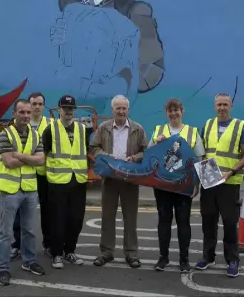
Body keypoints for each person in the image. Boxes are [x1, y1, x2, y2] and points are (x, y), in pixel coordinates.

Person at [196, 93, 244, 277]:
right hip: (209, 183)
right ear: (214, 106)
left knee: (229, 223)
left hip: (230, 183)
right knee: (208, 221)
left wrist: (232, 172)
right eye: (219, 104)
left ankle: (233, 260)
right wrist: (201, 175)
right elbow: (201, 152)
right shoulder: (208, 125)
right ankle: (208, 257)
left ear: (231, 106)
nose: (222, 108)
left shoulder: (239, 126)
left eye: (225, 104)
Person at [90, 94, 147, 268]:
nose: (121, 111)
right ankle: (106, 252)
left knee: (130, 218)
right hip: (110, 178)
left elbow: (145, 151)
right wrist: (108, 157)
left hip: (130, 179)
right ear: (113, 110)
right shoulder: (103, 128)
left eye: (124, 108)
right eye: (118, 108)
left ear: (128, 110)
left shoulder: (138, 129)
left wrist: (135, 158)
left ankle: (131, 254)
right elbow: (94, 148)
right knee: (107, 216)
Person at [148, 98, 205, 272]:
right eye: (170, 111)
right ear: (166, 113)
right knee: (164, 221)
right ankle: (163, 258)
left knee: (183, 222)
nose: (173, 114)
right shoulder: (158, 130)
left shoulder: (192, 132)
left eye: (176, 110)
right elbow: (149, 155)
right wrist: (156, 143)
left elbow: (200, 159)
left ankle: (184, 260)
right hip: (163, 185)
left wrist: (196, 184)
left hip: (183, 185)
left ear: (182, 111)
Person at [0, 99, 45, 286]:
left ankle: (29, 261)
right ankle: (2, 269)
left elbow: (41, 160)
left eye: (28, 113)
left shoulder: (35, 135)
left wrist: (21, 156)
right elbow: (9, 162)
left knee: (29, 230)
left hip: (30, 190)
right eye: (21, 112)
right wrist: (30, 158)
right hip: (10, 190)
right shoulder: (4, 135)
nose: (25, 116)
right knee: (6, 232)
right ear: (14, 114)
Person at [42, 95, 91, 269]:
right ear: (59, 109)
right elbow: (44, 154)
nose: (68, 111)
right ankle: (57, 254)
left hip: (78, 181)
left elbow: (85, 152)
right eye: (65, 108)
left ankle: (70, 251)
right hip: (57, 183)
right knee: (58, 219)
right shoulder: (50, 130)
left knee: (76, 219)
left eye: (71, 108)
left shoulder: (82, 129)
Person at [10, 92, 53, 261]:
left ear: (43, 106)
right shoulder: (15, 125)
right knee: (19, 212)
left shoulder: (51, 124)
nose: (36, 107)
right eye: (33, 103)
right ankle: (17, 245)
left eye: (39, 104)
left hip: (43, 175)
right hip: (23, 174)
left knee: (47, 211)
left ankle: (48, 244)